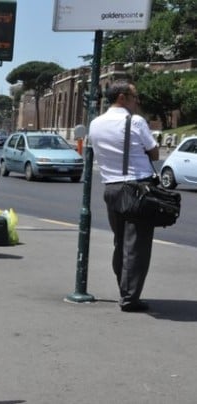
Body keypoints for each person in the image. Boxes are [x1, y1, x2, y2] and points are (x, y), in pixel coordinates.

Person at [89, 80, 159, 312]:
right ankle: (130, 298)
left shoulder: (95, 124)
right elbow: (155, 153)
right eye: (134, 97)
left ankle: (124, 290)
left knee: (120, 243)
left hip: (111, 188)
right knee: (137, 246)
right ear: (122, 97)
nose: (137, 102)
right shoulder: (135, 121)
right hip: (137, 188)